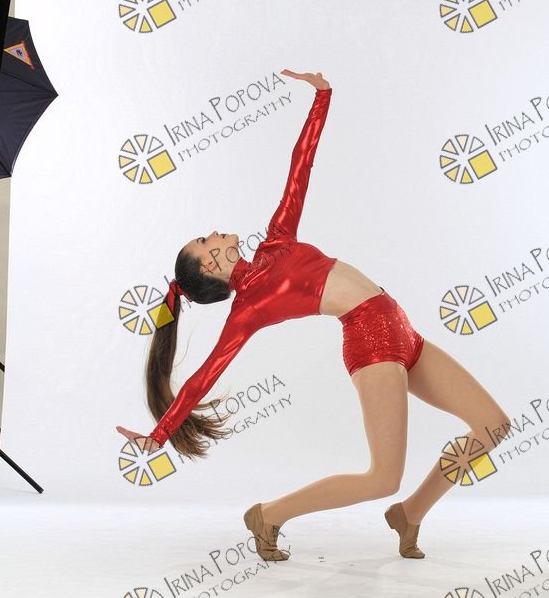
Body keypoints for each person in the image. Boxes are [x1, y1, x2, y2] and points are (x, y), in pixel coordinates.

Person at [117, 69, 511, 562]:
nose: (213, 232)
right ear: (210, 266)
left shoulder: (277, 239)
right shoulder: (248, 309)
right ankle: (269, 514)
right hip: (371, 343)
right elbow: (203, 377)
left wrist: (322, 97)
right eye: (204, 240)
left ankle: (410, 513)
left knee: (492, 425)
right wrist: (159, 436)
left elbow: (300, 165)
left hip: (403, 331)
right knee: (382, 477)